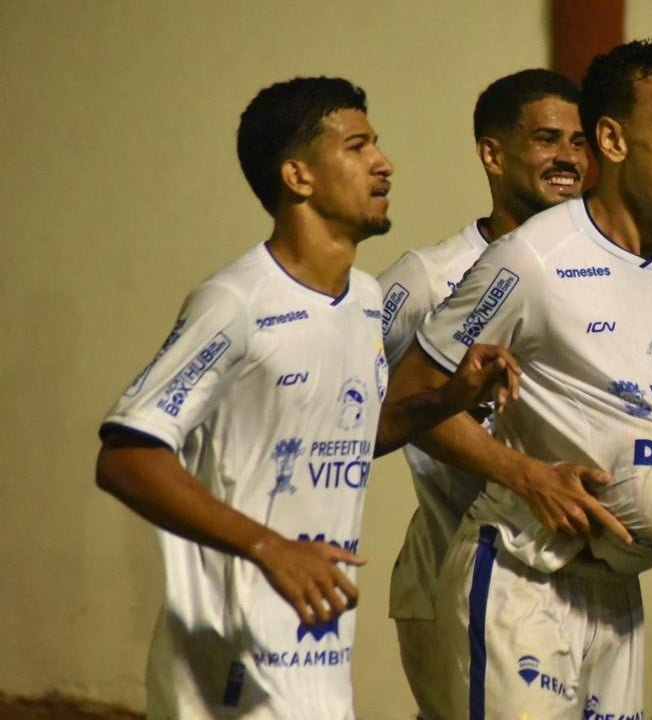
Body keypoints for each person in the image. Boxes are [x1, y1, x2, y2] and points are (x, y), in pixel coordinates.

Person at [95, 76, 518, 720]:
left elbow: (350, 435)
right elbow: (126, 455)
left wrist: (447, 397)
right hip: (228, 658)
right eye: (357, 147)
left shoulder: (366, 301)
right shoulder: (236, 302)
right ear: (298, 176)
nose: (384, 163)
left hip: (318, 648)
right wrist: (271, 549)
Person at [385, 40, 652, 719]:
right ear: (612, 139)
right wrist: (527, 476)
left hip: (617, 590)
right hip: (522, 579)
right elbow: (404, 400)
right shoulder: (530, 260)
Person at [376, 68, 590, 720]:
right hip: (454, 578)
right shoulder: (426, 278)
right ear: (492, 154)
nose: (568, 159)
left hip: (577, 589)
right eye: (548, 139)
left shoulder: (595, 275)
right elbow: (343, 411)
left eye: (579, 142)